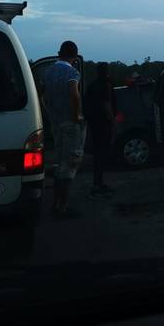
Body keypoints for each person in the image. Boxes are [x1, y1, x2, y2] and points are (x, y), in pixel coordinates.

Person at [42, 40, 85, 219]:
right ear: (74, 56)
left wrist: (49, 113)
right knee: (70, 164)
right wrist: (78, 116)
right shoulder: (72, 72)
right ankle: (62, 207)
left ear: (59, 53)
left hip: (56, 123)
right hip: (69, 123)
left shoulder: (48, 72)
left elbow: (42, 95)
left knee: (60, 164)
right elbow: (74, 94)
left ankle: (56, 204)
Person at [85, 62, 117, 198]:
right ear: (107, 72)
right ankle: (97, 186)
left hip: (94, 124)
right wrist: (113, 122)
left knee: (98, 155)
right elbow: (106, 105)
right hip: (103, 124)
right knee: (101, 155)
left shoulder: (91, 86)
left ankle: (98, 183)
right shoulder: (105, 86)